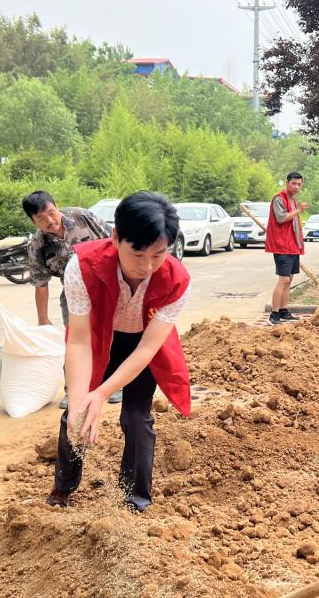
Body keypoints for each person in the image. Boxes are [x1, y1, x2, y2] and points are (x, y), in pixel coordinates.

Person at [45, 191, 192, 512]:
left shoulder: (177, 280)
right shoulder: (82, 267)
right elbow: (80, 340)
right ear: (115, 237)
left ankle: (135, 497)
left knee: (137, 418)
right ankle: (64, 486)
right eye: (138, 254)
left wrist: (103, 394)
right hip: (99, 341)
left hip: (141, 345)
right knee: (76, 412)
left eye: (159, 254)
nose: (148, 266)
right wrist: (85, 397)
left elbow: (148, 348)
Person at [23, 191, 121, 408]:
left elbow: (114, 241)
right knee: (74, 339)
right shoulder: (38, 245)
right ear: (33, 221)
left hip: (105, 284)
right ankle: (74, 390)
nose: (50, 221)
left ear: (56, 206)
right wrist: (43, 319)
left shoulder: (82, 217)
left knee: (110, 334)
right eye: (41, 218)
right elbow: (41, 283)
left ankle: (113, 385)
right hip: (73, 292)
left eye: (51, 212)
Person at [265, 172, 307, 326]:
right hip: (282, 245)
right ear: (287, 183)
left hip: (292, 246)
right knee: (283, 280)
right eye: (294, 183)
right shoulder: (279, 198)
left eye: (299, 184)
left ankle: (283, 310)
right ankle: (274, 314)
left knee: (289, 280)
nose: (296, 187)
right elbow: (281, 218)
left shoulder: (292, 199)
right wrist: (299, 210)